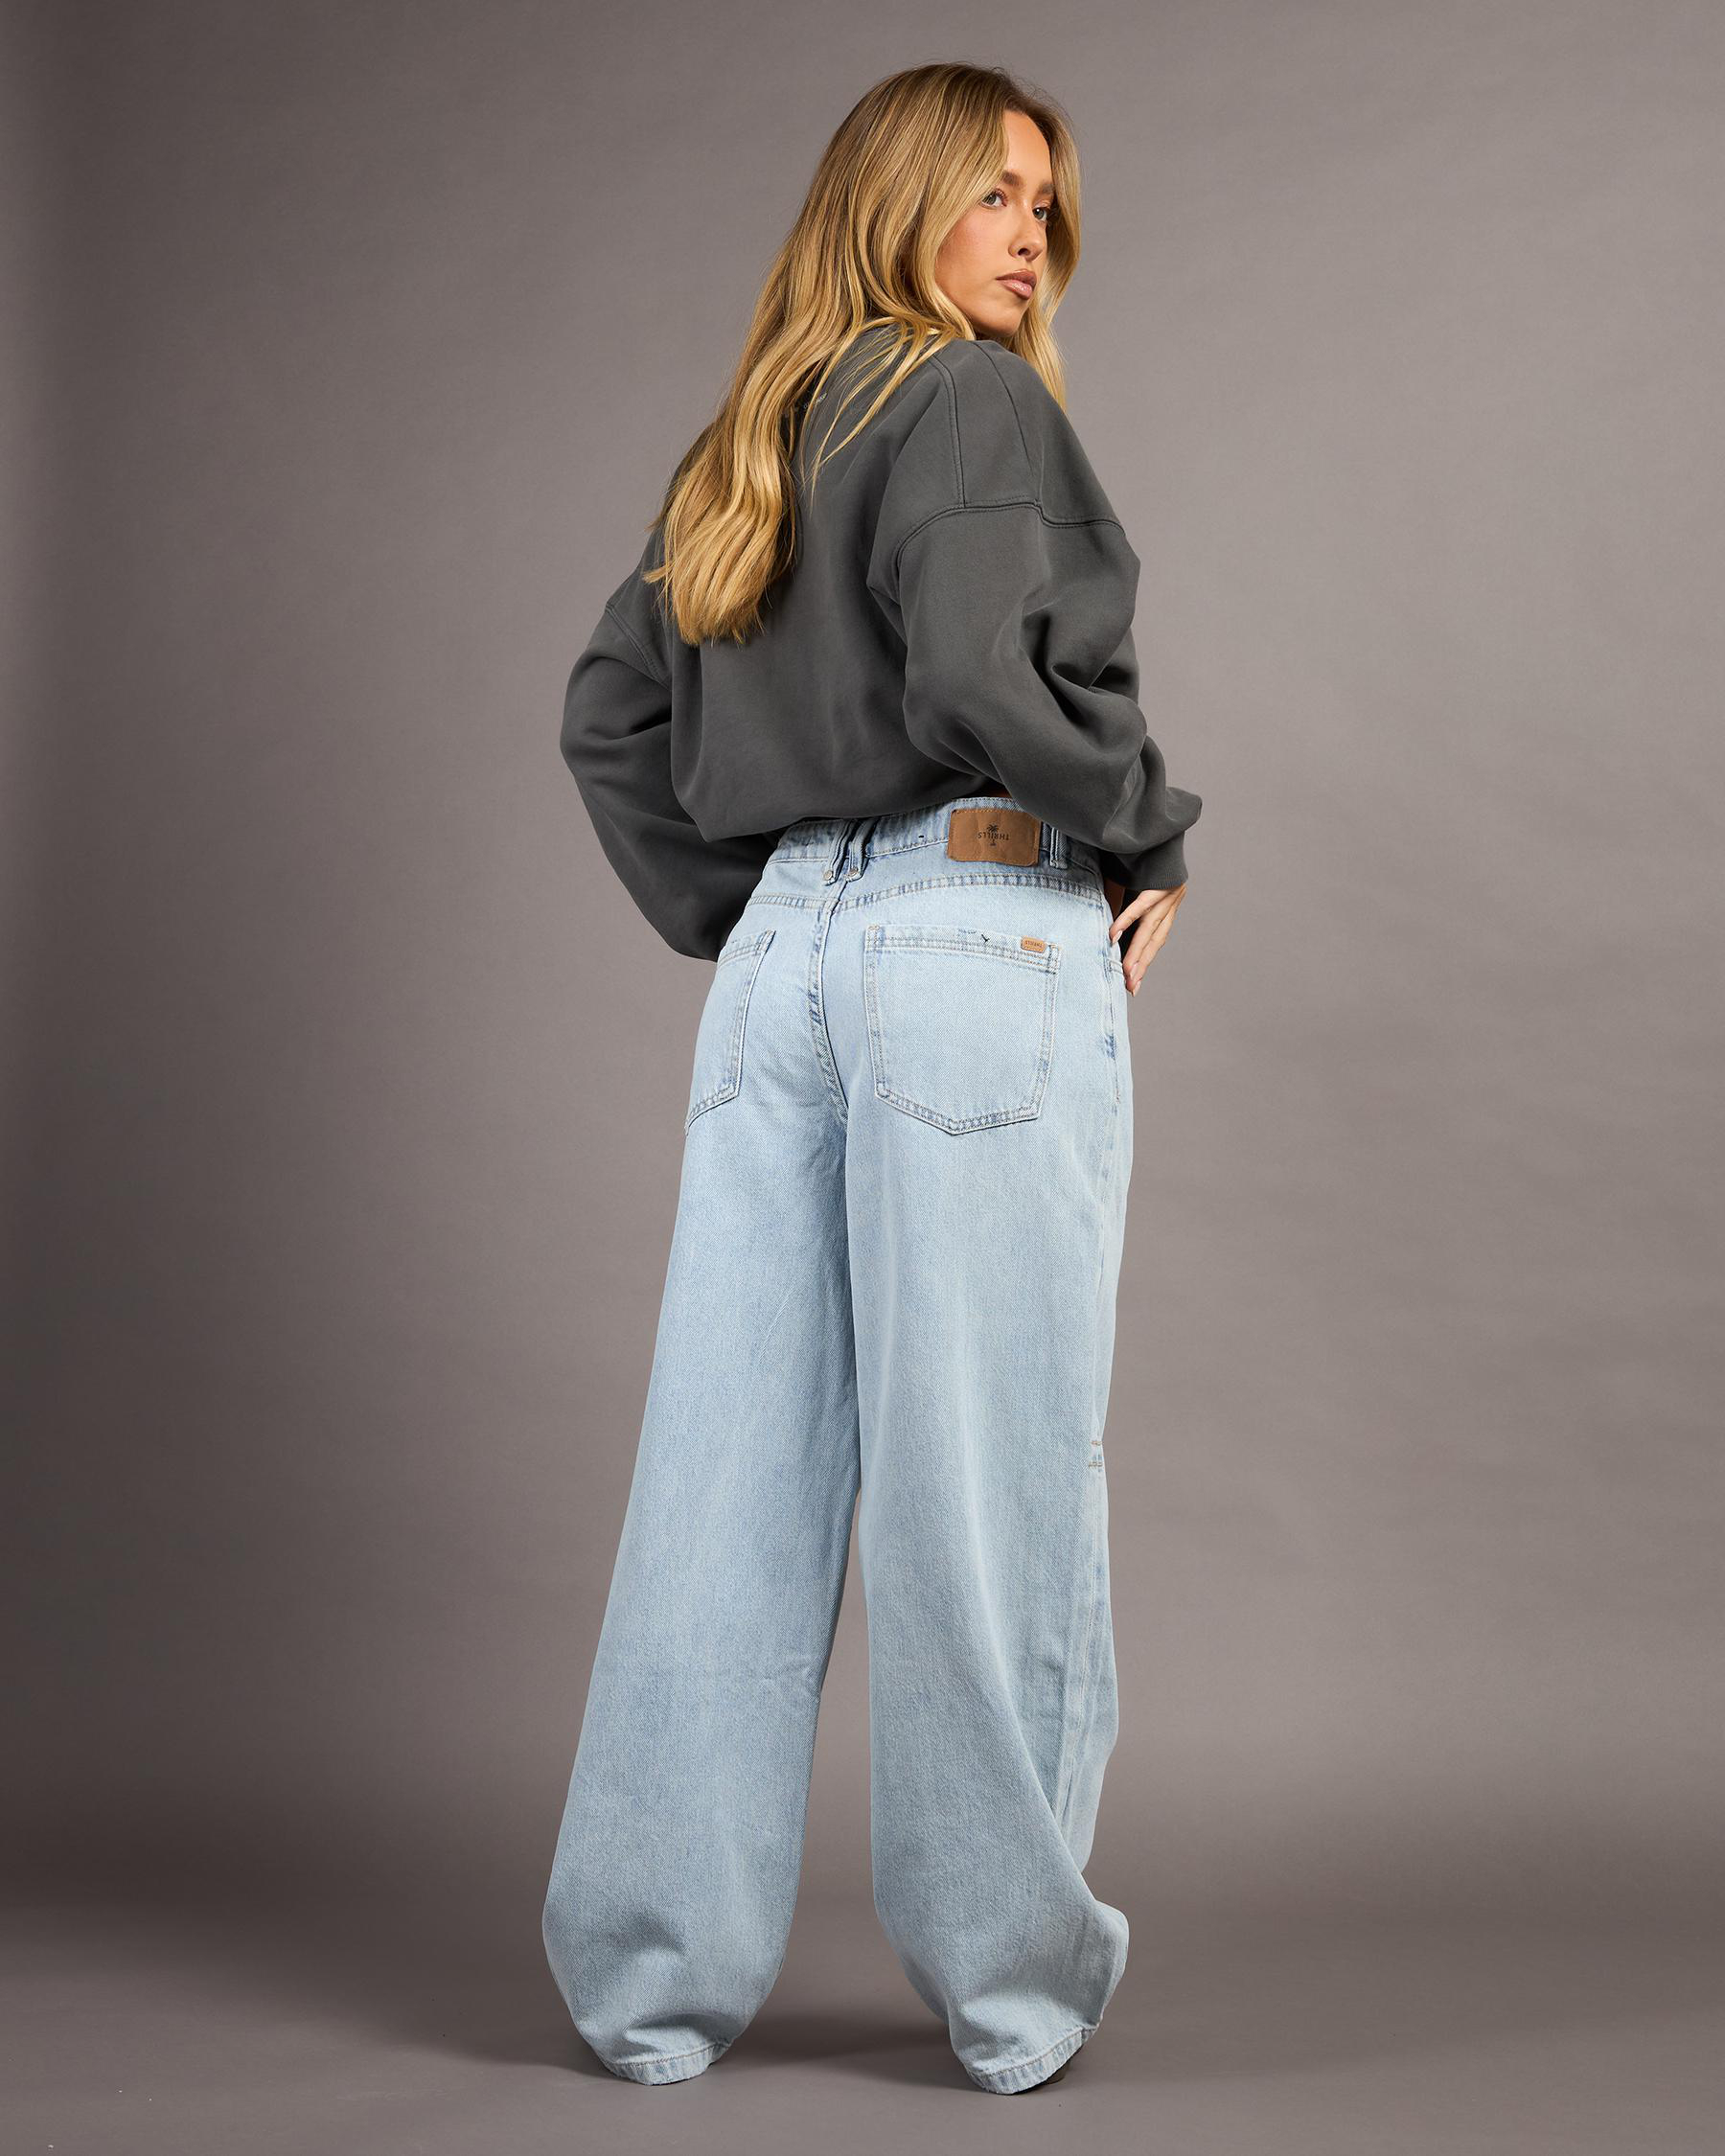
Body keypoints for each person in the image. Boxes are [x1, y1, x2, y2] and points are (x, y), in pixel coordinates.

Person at [540, 61, 1202, 2096]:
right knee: (981, 1477)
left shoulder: (754, 436)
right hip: (973, 933)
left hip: (784, 978)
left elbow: (607, 713)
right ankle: (1008, 1993)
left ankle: (647, 1982)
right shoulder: (974, 402)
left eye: (1045, 204)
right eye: (994, 191)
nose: (1032, 235)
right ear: (897, 199)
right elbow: (989, 678)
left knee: (726, 1481)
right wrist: (1150, 828)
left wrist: (751, 912)